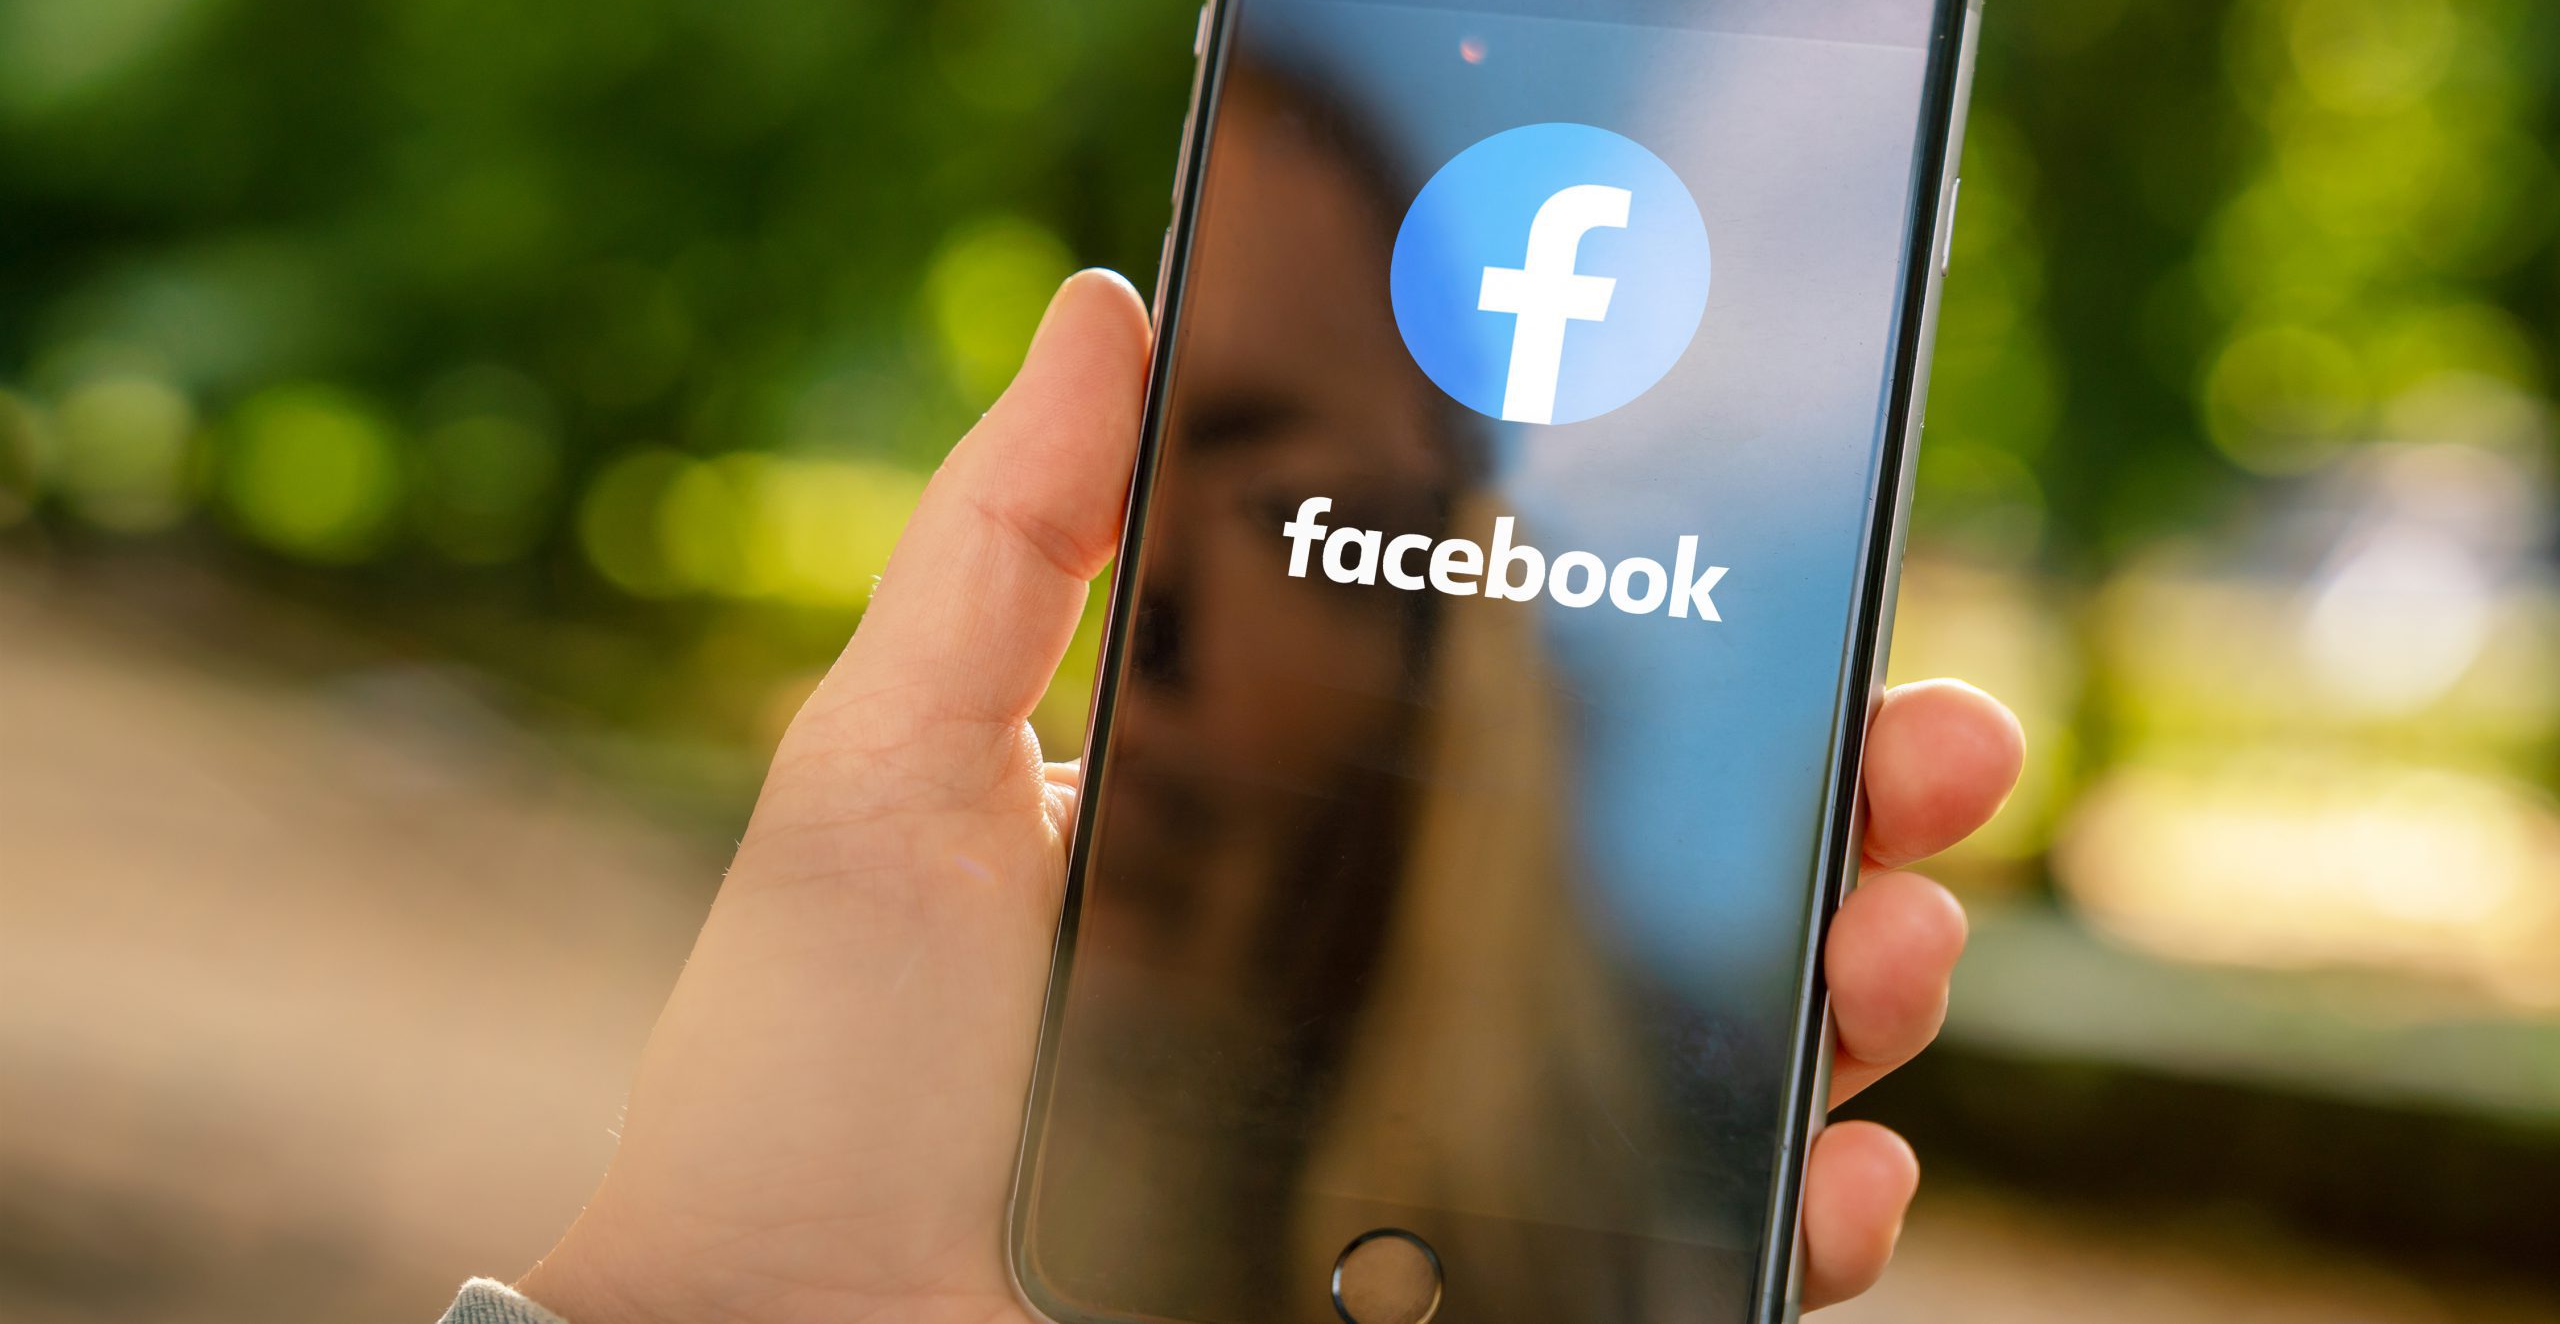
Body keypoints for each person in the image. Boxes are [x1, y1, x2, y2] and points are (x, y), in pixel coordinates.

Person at [438, 269, 2024, 1324]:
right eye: (1172, 488)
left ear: (1461, 637)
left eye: (1296, 511)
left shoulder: (1639, 1142)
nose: (1162, 611)